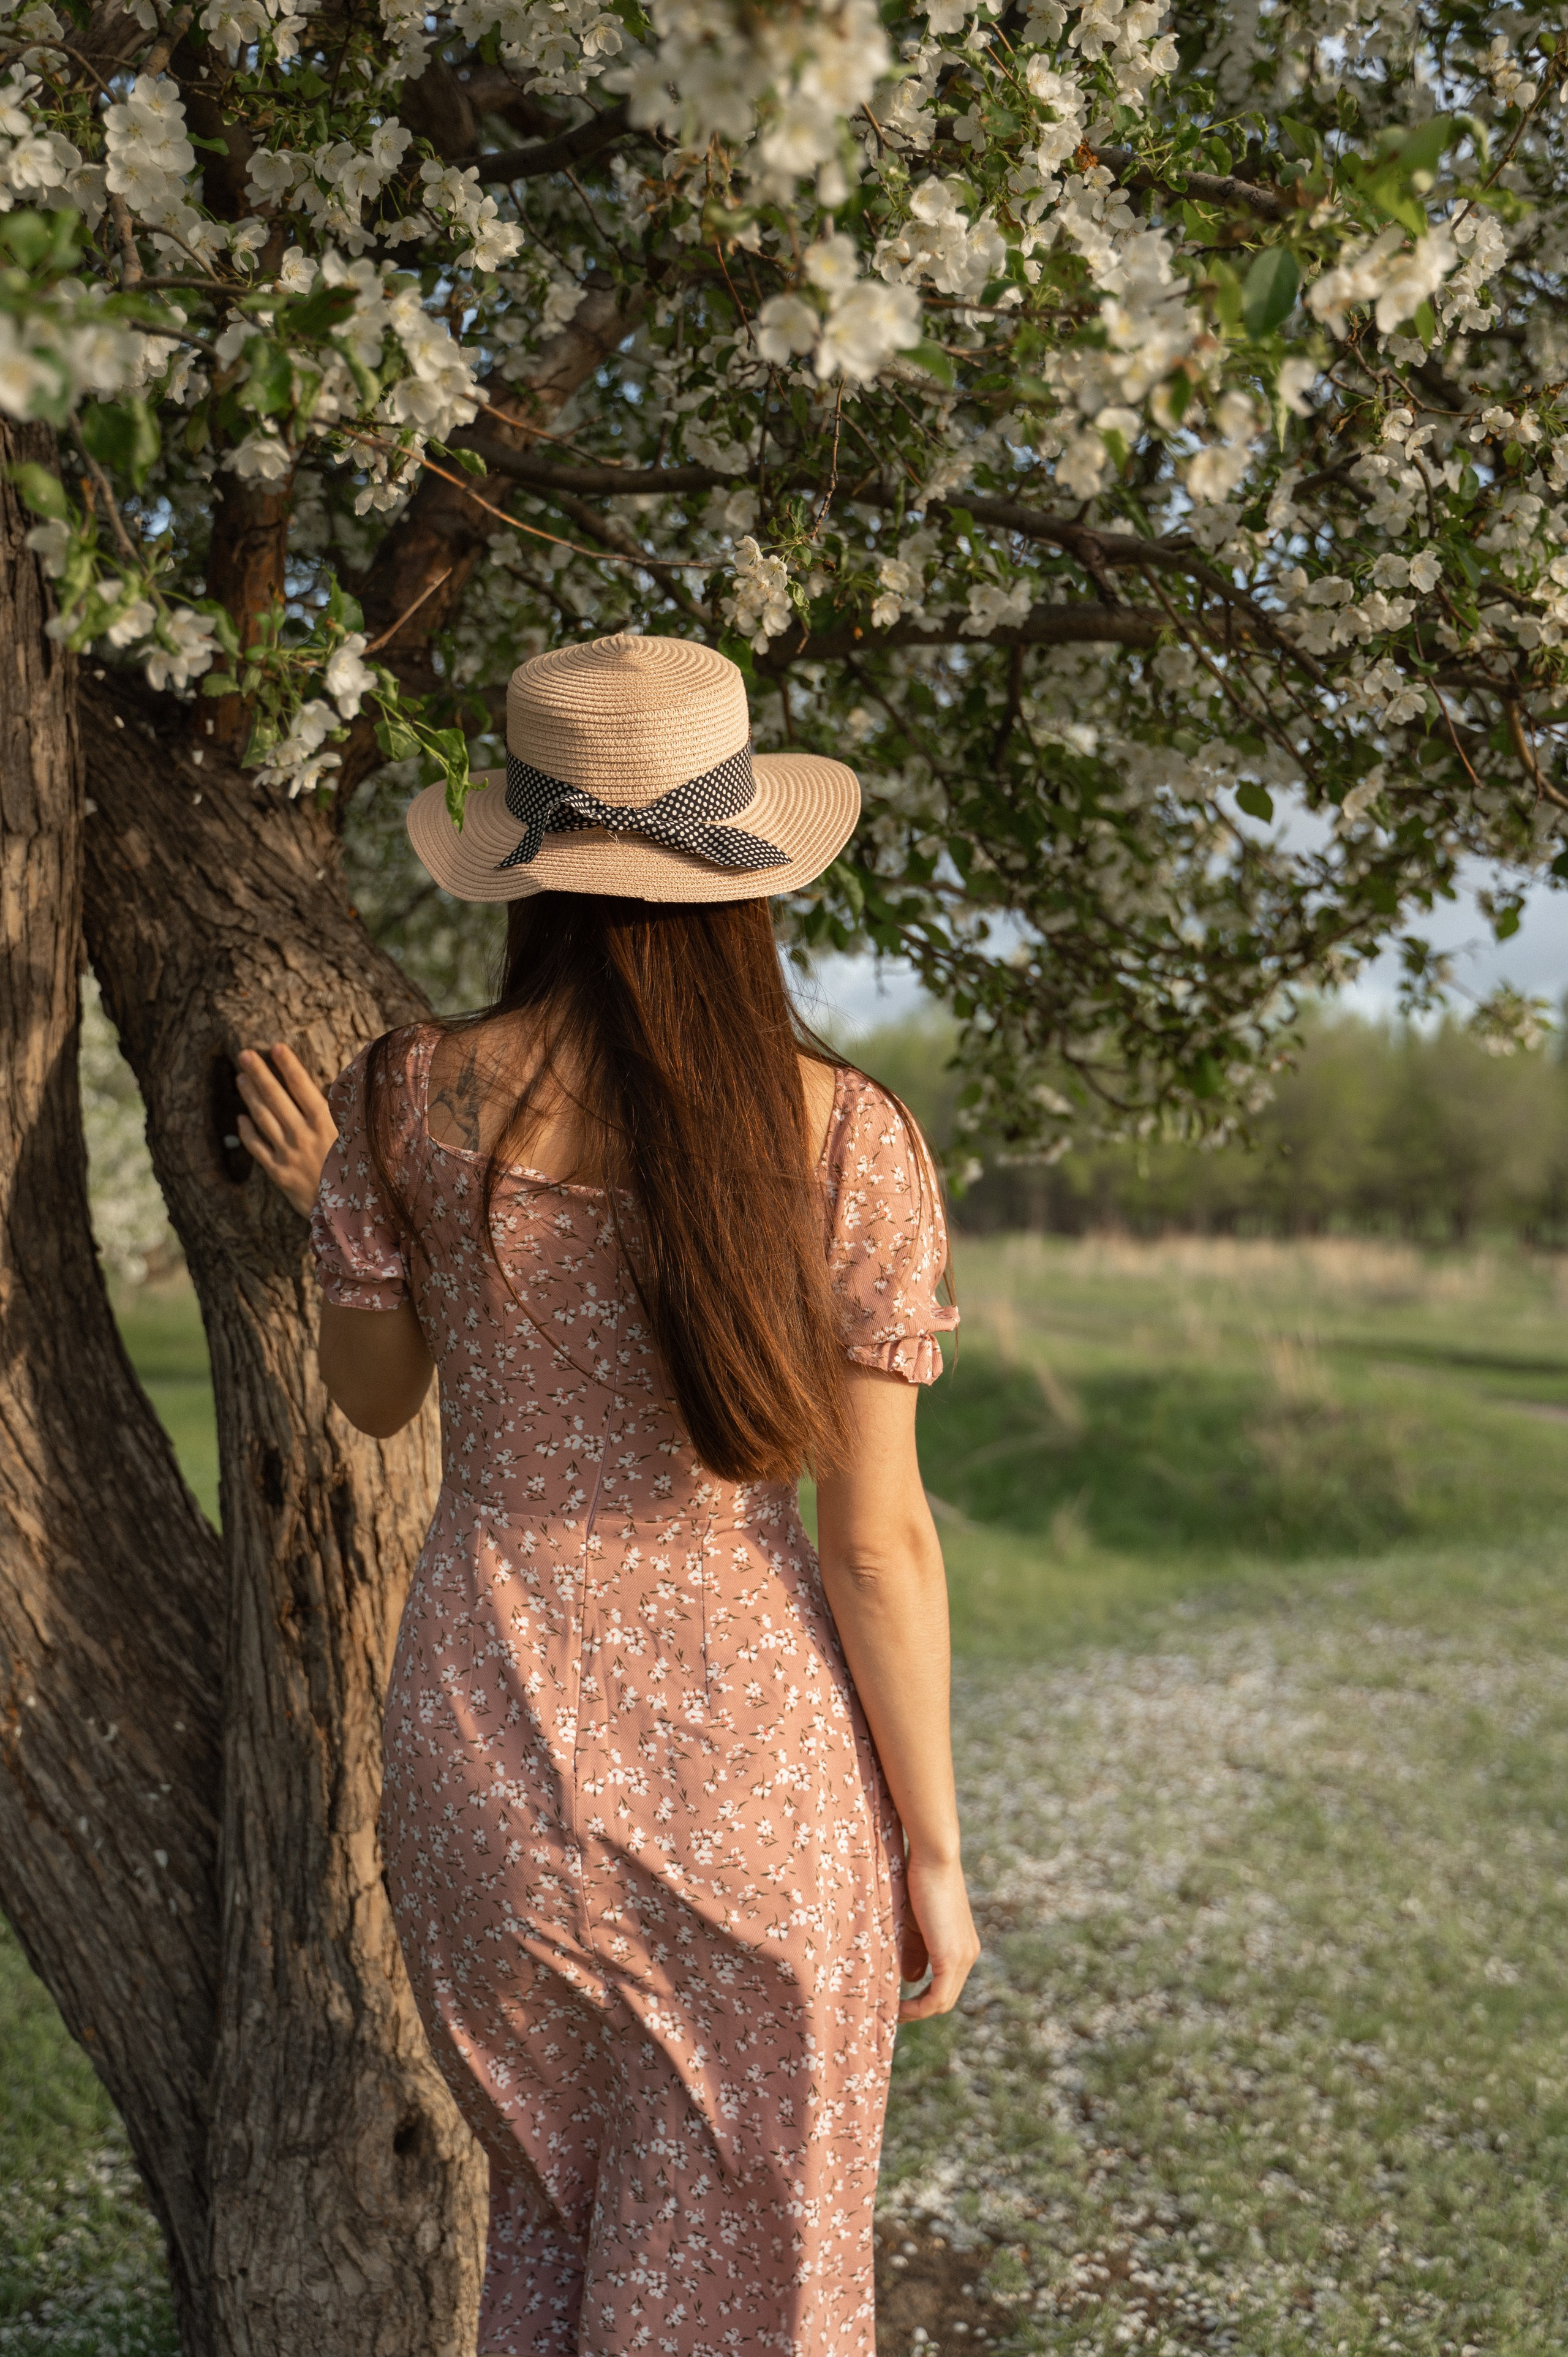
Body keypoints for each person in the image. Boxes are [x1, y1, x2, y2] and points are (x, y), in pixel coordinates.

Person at [234, 633, 979, 2357]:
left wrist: (364, 1227)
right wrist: (931, 1854)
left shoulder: (407, 1101)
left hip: (485, 1755)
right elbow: (877, 1540)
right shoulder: (844, 1134)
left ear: (530, 873)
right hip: (757, 1782)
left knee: (562, 2247)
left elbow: (376, 1398)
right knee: (763, 2275)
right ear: (743, 872)